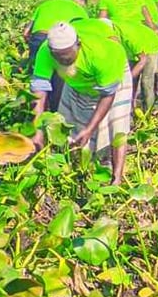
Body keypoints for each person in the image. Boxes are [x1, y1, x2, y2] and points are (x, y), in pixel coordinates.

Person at [30, 20, 133, 184]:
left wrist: (89, 129)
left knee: (116, 124)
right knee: (67, 124)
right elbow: (39, 93)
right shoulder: (45, 52)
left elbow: (107, 95)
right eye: (58, 57)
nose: (63, 60)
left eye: (67, 56)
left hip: (112, 79)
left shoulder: (101, 53)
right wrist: (37, 131)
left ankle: (116, 178)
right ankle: (78, 171)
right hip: (76, 81)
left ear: (78, 45)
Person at [23, 0, 88, 112]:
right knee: (60, 79)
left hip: (39, 37)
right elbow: (83, 33)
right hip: (62, 44)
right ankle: (55, 110)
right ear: (78, 0)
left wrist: (32, 45)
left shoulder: (45, 5)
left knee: (39, 79)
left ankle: (37, 111)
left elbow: (26, 32)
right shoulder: (79, 9)